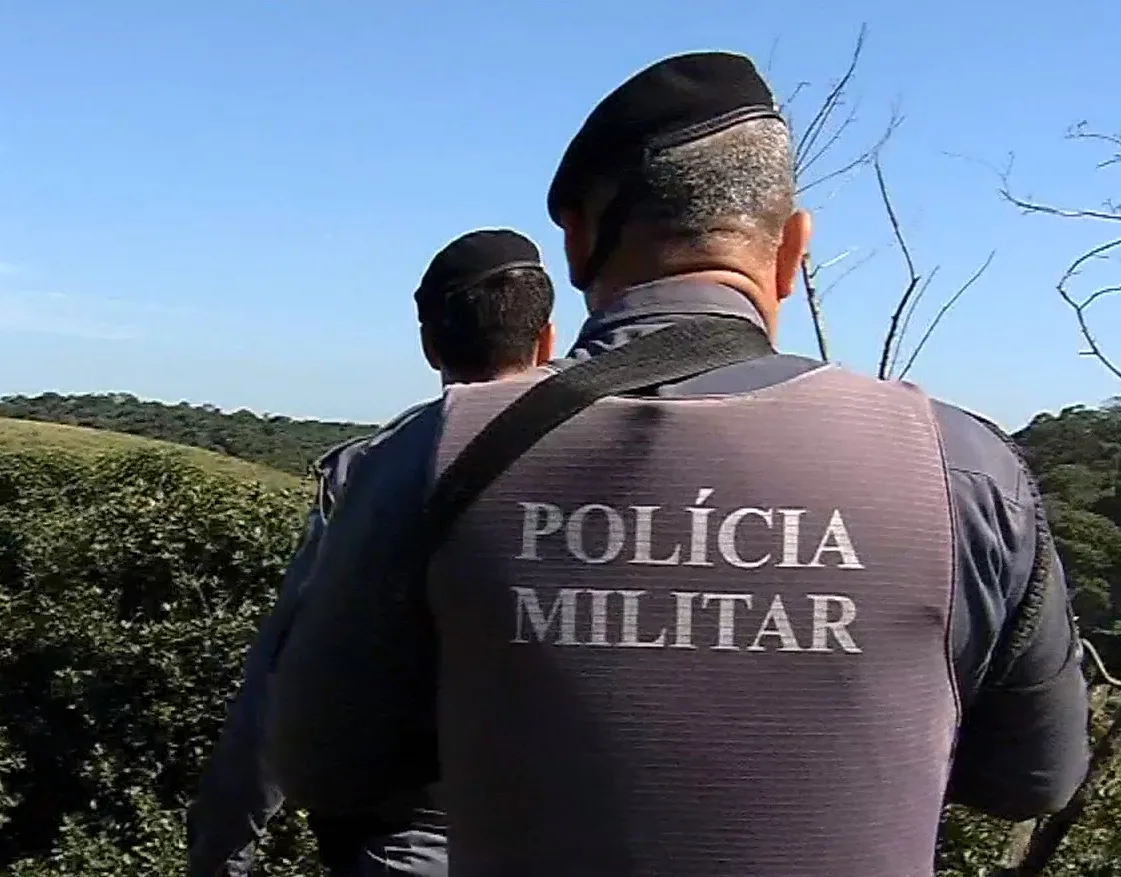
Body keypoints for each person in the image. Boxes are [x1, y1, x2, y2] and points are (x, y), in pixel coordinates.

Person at [264, 52, 1092, 877]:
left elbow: (321, 764)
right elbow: (1033, 776)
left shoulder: (425, 453)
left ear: (578, 243)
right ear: (792, 248)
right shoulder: (962, 469)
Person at [185, 228, 556, 877]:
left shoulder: (376, 469)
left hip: (412, 843)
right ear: (546, 337)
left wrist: (220, 851)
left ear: (427, 342)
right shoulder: (618, 461)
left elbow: (278, 681)